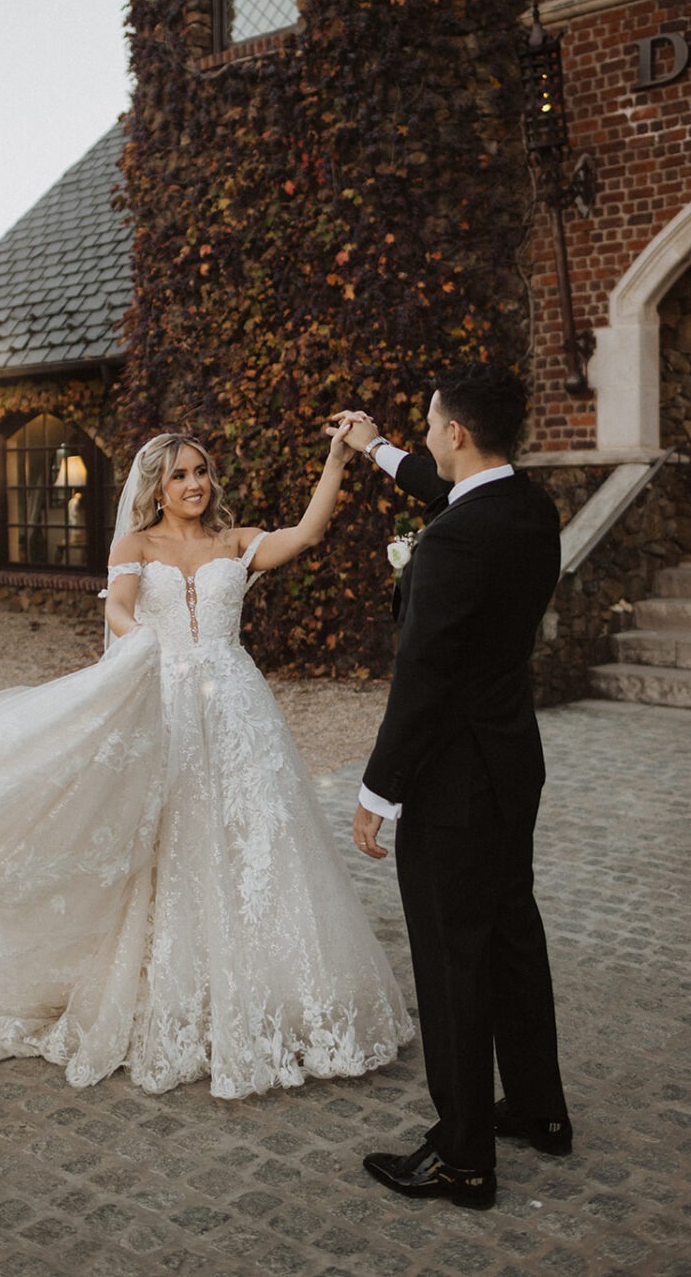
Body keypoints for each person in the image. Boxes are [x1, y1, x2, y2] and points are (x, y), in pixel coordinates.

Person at [0, 427, 412, 1100]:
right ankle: (166, 981)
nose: (194, 485)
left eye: (202, 473)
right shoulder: (134, 546)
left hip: (239, 709)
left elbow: (303, 534)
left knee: (258, 837)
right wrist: (143, 647)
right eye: (181, 475)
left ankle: (273, 989)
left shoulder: (234, 541)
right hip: (163, 697)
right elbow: (122, 611)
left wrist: (335, 459)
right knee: (169, 837)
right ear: (156, 485)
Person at [332, 362, 571, 1210]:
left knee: (451, 956)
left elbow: (422, 680)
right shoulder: (530, 508)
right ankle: (540, 1111)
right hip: (514, 761)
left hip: (455, 783)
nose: (428, 434)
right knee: (511, 933)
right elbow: (447, 487)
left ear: (458, 433)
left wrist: (378, 789)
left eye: (431, 424)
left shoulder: (452, 542)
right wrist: (378, 450)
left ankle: (465, 1155)